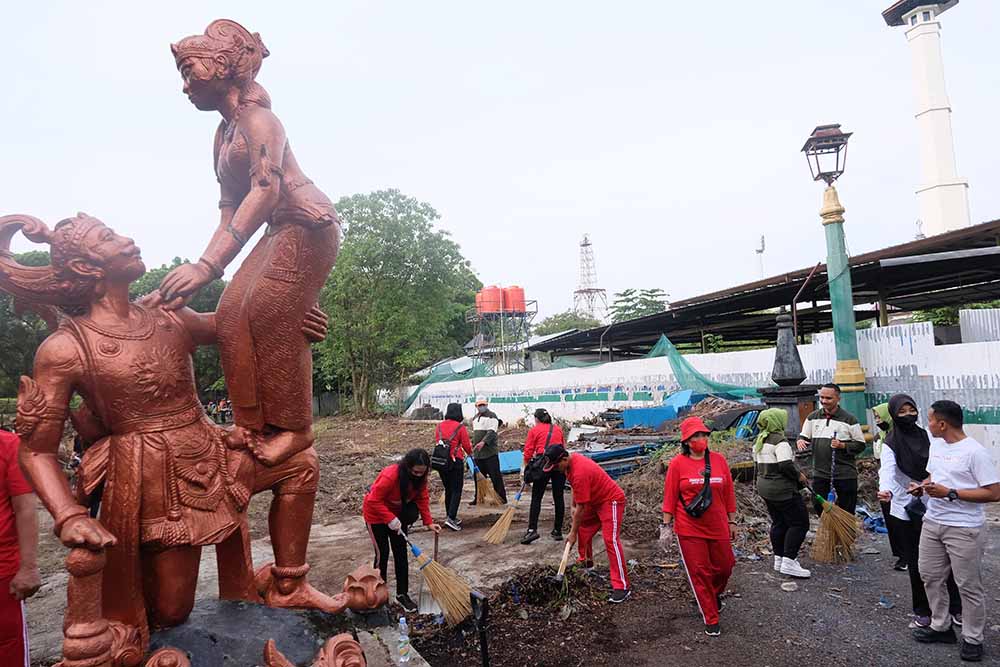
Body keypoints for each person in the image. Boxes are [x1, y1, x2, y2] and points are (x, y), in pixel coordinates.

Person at [910, 400, 1000, 662]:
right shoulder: (937, 445)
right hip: (933, 522)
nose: (927, 424)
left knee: (968, 586)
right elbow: (932, 476)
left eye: (930, 420)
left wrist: (951, 493)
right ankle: (941, 626)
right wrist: (923, 486)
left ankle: (973, 638)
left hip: (964, 528)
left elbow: (994, 492)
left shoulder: (975, 452)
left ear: (942, 424)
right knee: (930, 576)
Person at [877, 395, 962, 634]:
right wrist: (885, 490)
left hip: (935, 503)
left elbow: (938, 466)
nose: (907, 415)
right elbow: (887, 470)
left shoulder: (927, 436)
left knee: (948, 559)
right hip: (904, 506)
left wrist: (927, 483)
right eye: (901, 412)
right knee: (917, 563)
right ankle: (923, 611)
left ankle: (956, 608)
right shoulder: (891, 442)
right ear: (894, 415)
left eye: (911, 410)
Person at [660, 416, 736, 637]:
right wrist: (666, 526)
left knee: (725, 566)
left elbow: (729, 493)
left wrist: (732, 521)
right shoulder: (677, 464)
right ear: (686, 440)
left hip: (719, 524)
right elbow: (670, 496)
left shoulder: (719, 461)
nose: (701, 439)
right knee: (699, 572)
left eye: (703, 434)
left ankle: (713, 595)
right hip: (689, 527)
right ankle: (711, 616)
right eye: (696, 436)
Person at [545, 444, 630, 603]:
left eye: (556, 466)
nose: (555, 469)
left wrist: (572, 533)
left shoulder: (580, 471)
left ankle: (622, 586)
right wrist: (572, 505)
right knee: (584, 529)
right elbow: (576, 489)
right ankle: (587, 563)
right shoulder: (571, 462)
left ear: (564, 458)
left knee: (610, 540)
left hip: (610, 500)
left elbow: (581, 508)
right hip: (595, 501)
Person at [363, 449, 441, 613]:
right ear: (407, 467)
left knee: (401, 554)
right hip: (375, 515)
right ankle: (380, 594)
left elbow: (422, 498)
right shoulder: (391, 476)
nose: (419, 475)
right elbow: (373, 500)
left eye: (423, 472)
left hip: (397, 515)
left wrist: (428, 523)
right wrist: (389, 519)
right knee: (382, 554)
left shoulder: (421, 479)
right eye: (415, 472)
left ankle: (402, 594)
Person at [752, 408, 811, 578]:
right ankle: (789, 562)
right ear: (778, 422)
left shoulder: (760, 440)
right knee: (799, 523)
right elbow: (785, 464)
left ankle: (779, 559)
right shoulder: (780, 442)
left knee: (779, 522)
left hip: (765, 488)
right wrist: (799, 475)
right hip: (782, 490)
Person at [1, 429, 41, 667]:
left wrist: (28, 567)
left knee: (7, 649)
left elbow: (25, 508)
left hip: (2, 573)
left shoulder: (9, 445)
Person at [796, 383, 865, 516]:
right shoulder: (812, 417)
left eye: (828, 398)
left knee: (847, 509)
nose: (824, 401)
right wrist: (800, 440)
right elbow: (804, 436)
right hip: (820, 472)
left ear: (838, 399)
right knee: (818, 504)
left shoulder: (849, 419)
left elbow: (860, 445)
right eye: (821, 397)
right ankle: (828, 530)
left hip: (845, 473)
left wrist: (843, 445)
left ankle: (845, 534)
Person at [521, 408, 566, 544]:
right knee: (558, 497)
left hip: (543, 464)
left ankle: (531, 530)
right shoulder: (558, 429)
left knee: (536, 497)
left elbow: (528, 451)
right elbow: (563, 446)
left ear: (537, 419)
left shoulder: (534, 430)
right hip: (559, 463)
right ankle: (558, 530)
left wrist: (525, 469)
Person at [873, 402, 907, 571]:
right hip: (886, 485)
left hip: (903, 486)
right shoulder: (879, 437)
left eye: (880, 417)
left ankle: (909, 555)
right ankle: (901, 555)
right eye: (876, 418)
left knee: (904, 521)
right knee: (891, 522)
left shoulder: (903, 437)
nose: (878, 420)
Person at [436, 403, 472, 531]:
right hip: (455, 461)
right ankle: (451, 518)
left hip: (441, 462)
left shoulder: (439, 426)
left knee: (448, 489)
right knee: (457, 489)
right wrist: (471, 453)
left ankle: (450, 515)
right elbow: (467, 445)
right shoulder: (460, 427)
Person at [470, 397, 507, 505]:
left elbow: (492, 432)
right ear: (476, 406)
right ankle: (479, 497)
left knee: (495, 476)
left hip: (490, 453)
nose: (482, 407)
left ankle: (501, 498)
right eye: (479, 405)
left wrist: (484, 442)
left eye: (483, 405)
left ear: (486, 405)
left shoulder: (492, 416)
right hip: (478, 454)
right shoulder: (475, 418)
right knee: (478, 478)